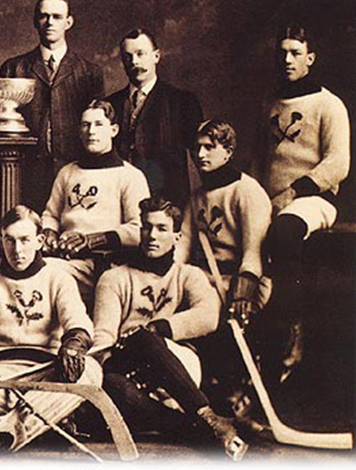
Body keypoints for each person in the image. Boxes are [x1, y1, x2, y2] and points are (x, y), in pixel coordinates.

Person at [92, 195, 248, 460]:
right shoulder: (114, 277)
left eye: (162, 228)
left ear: (177, 236)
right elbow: (104, 333)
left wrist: (159, 328)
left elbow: (209, 315)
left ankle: (204, 417)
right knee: (111, 383)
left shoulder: (187, 275)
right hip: (129, 365)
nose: (152, 235)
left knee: (146, 338)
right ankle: (205, 429)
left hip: (176, 370)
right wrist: (102, 359)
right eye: (146, 227)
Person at [0, 205, 102, 452]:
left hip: (48, 371)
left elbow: (76, 318)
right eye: (10, 240)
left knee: (92, 370)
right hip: (0, 374)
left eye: (25, 240)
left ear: (39, 240)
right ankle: (48, 423)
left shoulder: (58, 278)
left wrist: (74, 344)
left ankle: (6, 431)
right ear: (2, 240)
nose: (17, 250)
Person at [259, 24, 350, 381]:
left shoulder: (329, 105)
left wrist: (294, 193)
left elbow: (338, 163)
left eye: (295, 52)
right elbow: (257, 159)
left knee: (283, 232)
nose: (287, 59)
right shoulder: (269, 104)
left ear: (310, 59)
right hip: (273, 200)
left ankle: (291, 328)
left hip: (314, 201)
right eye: (282, 52)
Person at [0, 0, 104, 214]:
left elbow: (99, 130)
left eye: (57, 17)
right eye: (44, 16)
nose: (50, 22)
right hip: (21, 176)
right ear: (35, 21)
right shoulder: (15, 68)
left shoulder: (88, 72)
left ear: (68, 22)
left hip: (74, 176)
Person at [176, 119, 272, 417]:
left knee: (217, 317)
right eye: (197, 148)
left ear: (228, 151)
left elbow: (253, 251)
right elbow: (183, 248)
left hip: (243, 279)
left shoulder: (247, 191)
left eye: (209, 147)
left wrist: (243, 289)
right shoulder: (197, 198)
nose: (200, 154)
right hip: (205, 278)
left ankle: (237, 391)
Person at [41, 100, 150, 308]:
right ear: (79, 132)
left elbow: (138, 229)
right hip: (63, 256)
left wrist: (92, 240)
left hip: (101, 264)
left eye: (99, 124)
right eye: (85, 125)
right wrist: (49, 234)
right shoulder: (68, 172)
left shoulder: (129, 176)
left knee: (44, 273)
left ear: (114, 130)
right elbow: (51, 215)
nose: (91, 131)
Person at [107, 28, 203, 208]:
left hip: (167, 204)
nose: (134, 61)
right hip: (118, 203)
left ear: (156, 56)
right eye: (127, 56)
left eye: (140, 54)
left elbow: (201, 157)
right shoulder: (110, 104)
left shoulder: (182, 102)